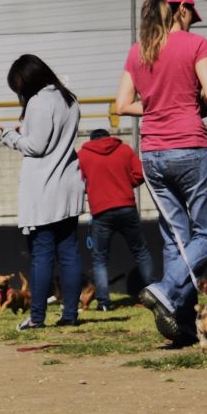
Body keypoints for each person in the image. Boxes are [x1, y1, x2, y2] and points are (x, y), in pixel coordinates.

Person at [115, 0, 207, 346]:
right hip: (190, 147)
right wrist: (195, 105)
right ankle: (166, 289)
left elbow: (122, 105)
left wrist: (158, 103)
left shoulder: (139, 50)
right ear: (180, 9)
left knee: (176, 238)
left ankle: (181, 323)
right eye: (192, 12)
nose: (194, 20)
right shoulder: (196, 45)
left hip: (152, 155)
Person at [0, 55, 86, 330]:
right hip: (69, 184)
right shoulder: (69, 100)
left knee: (42, 254)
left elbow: (36, 146)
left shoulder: (38, 102)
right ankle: (70, 314)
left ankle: (37, 317)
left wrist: (10, 136)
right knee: (69, 252)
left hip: (45, 189)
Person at [77, 128, 154, 310]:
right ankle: (154, 297)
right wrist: (126, 184)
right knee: (141, 252)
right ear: (109, 137)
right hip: (127, 207)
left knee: (100, 259)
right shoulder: (125, 150)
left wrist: (93, 190)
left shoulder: (83, 155)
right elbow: (140, 174)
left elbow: (78, 182)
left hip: (101, 212)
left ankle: (104, 303)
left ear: (91, 139)